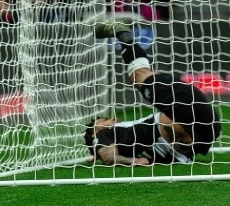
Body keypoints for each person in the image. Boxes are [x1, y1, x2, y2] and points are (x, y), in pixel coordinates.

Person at [85, 21, 222, 165]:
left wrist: (120, 157)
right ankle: (122, 33)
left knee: (143, 76)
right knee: (141, 76)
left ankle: (123, 34)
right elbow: (108, 157)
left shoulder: (119, 136)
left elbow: (108, 155)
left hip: (190, 117)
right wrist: (131, 160)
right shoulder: (102, 134)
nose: (113, 119)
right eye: (104, 120)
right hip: (199, 132)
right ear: (94, 132)